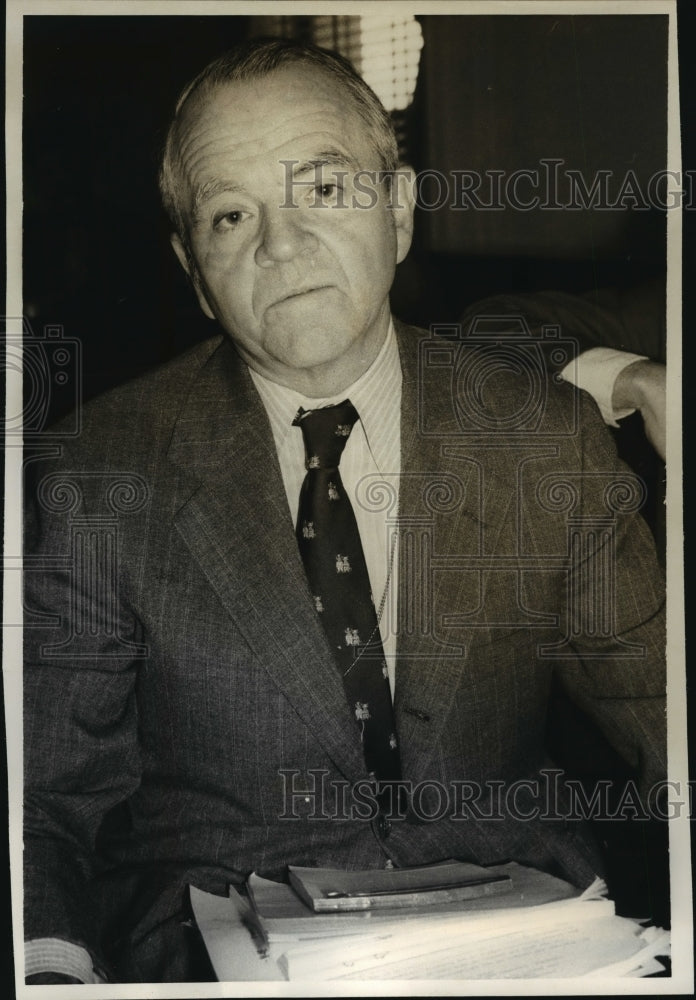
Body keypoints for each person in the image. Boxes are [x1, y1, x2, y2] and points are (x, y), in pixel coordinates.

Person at [23, 38, 666, 984]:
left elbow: (669, 714)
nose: (279, 246)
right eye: (231, 214)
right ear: (195, 269)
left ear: (400, 210)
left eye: (323, 191)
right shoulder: (99, 476)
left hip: (531, 951)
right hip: (207, 956)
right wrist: (48, 968)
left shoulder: (542, 439)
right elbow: (42, 804)